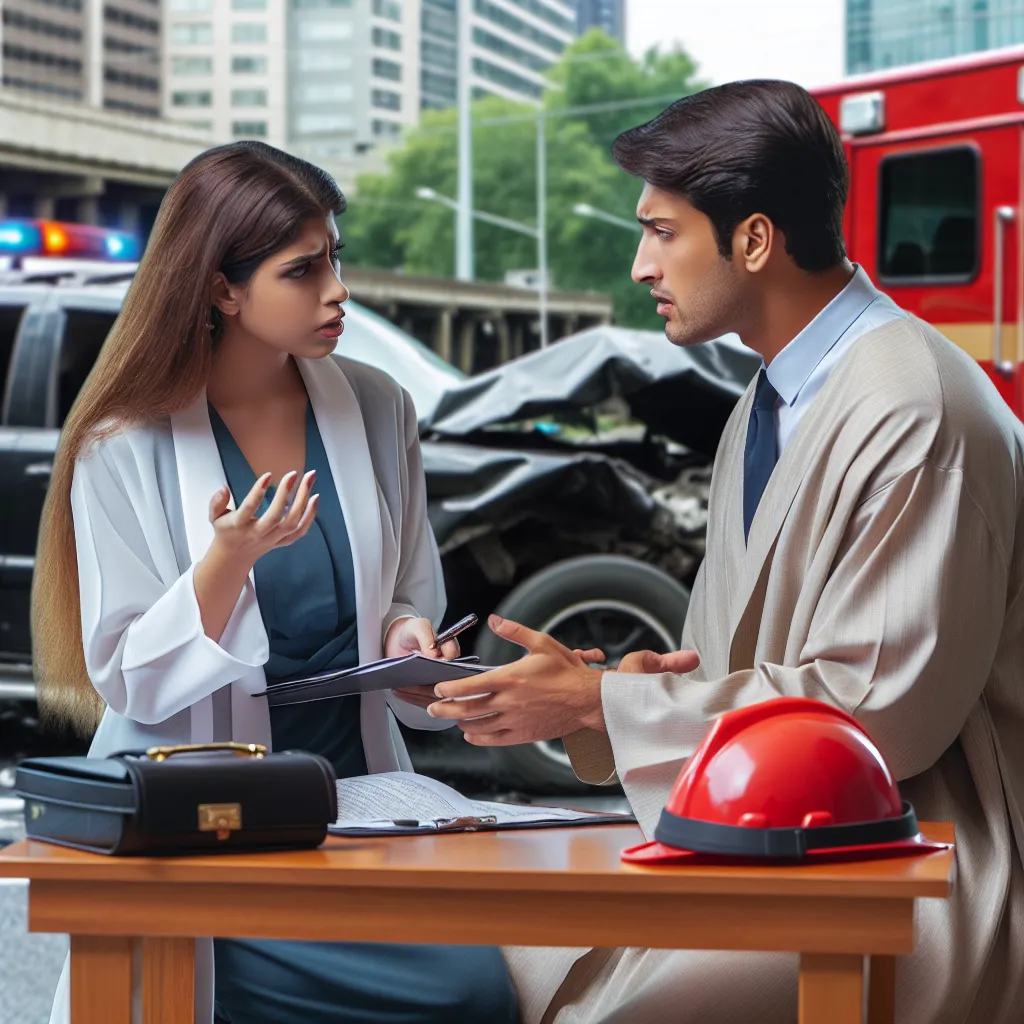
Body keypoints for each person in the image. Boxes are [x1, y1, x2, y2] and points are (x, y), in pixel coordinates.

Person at [429, 80, 1024, 1023]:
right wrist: (608, 697)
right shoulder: (768, 400)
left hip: (911, 862)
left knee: (581, 1003)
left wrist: (601, 703)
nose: (640, 265)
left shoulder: (918, 409)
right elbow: (727, 660)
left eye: (662, 232)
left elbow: (879, 716)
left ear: (753, 241)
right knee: (487, 954)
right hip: (777, 836)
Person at [32, 141, 518, 1024]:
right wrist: (227, 562)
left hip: (360, 805)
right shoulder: (121, 442)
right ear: (223, 289)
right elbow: (128, 675)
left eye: (334, 258)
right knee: (458, 997)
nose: (338, 291)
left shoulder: (380, 407)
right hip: (204, 823)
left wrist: (409, 639)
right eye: (303, 270)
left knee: (486, 989)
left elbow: (407, 593)